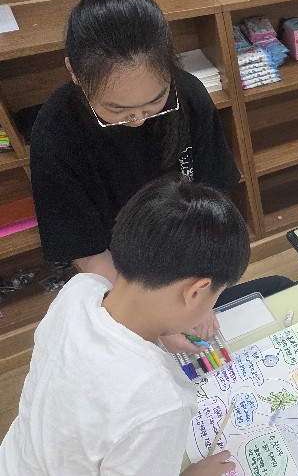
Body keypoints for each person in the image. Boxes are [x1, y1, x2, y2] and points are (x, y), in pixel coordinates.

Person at [29, 0, 290, 351]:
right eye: (117, 109)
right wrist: (154, 321)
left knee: (275, 294)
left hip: (189, 267)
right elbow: (88, 251)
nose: (138, 120)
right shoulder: (57, 134)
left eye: (154, 102)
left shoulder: (190, 96)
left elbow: (212, 207)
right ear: (74, 73)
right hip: (122, 281)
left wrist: (200, 297)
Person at [0, 174, 246, 474]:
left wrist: (161, 331)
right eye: (215, 297)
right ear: (196, 291)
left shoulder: (79, 290)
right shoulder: (161, 402)